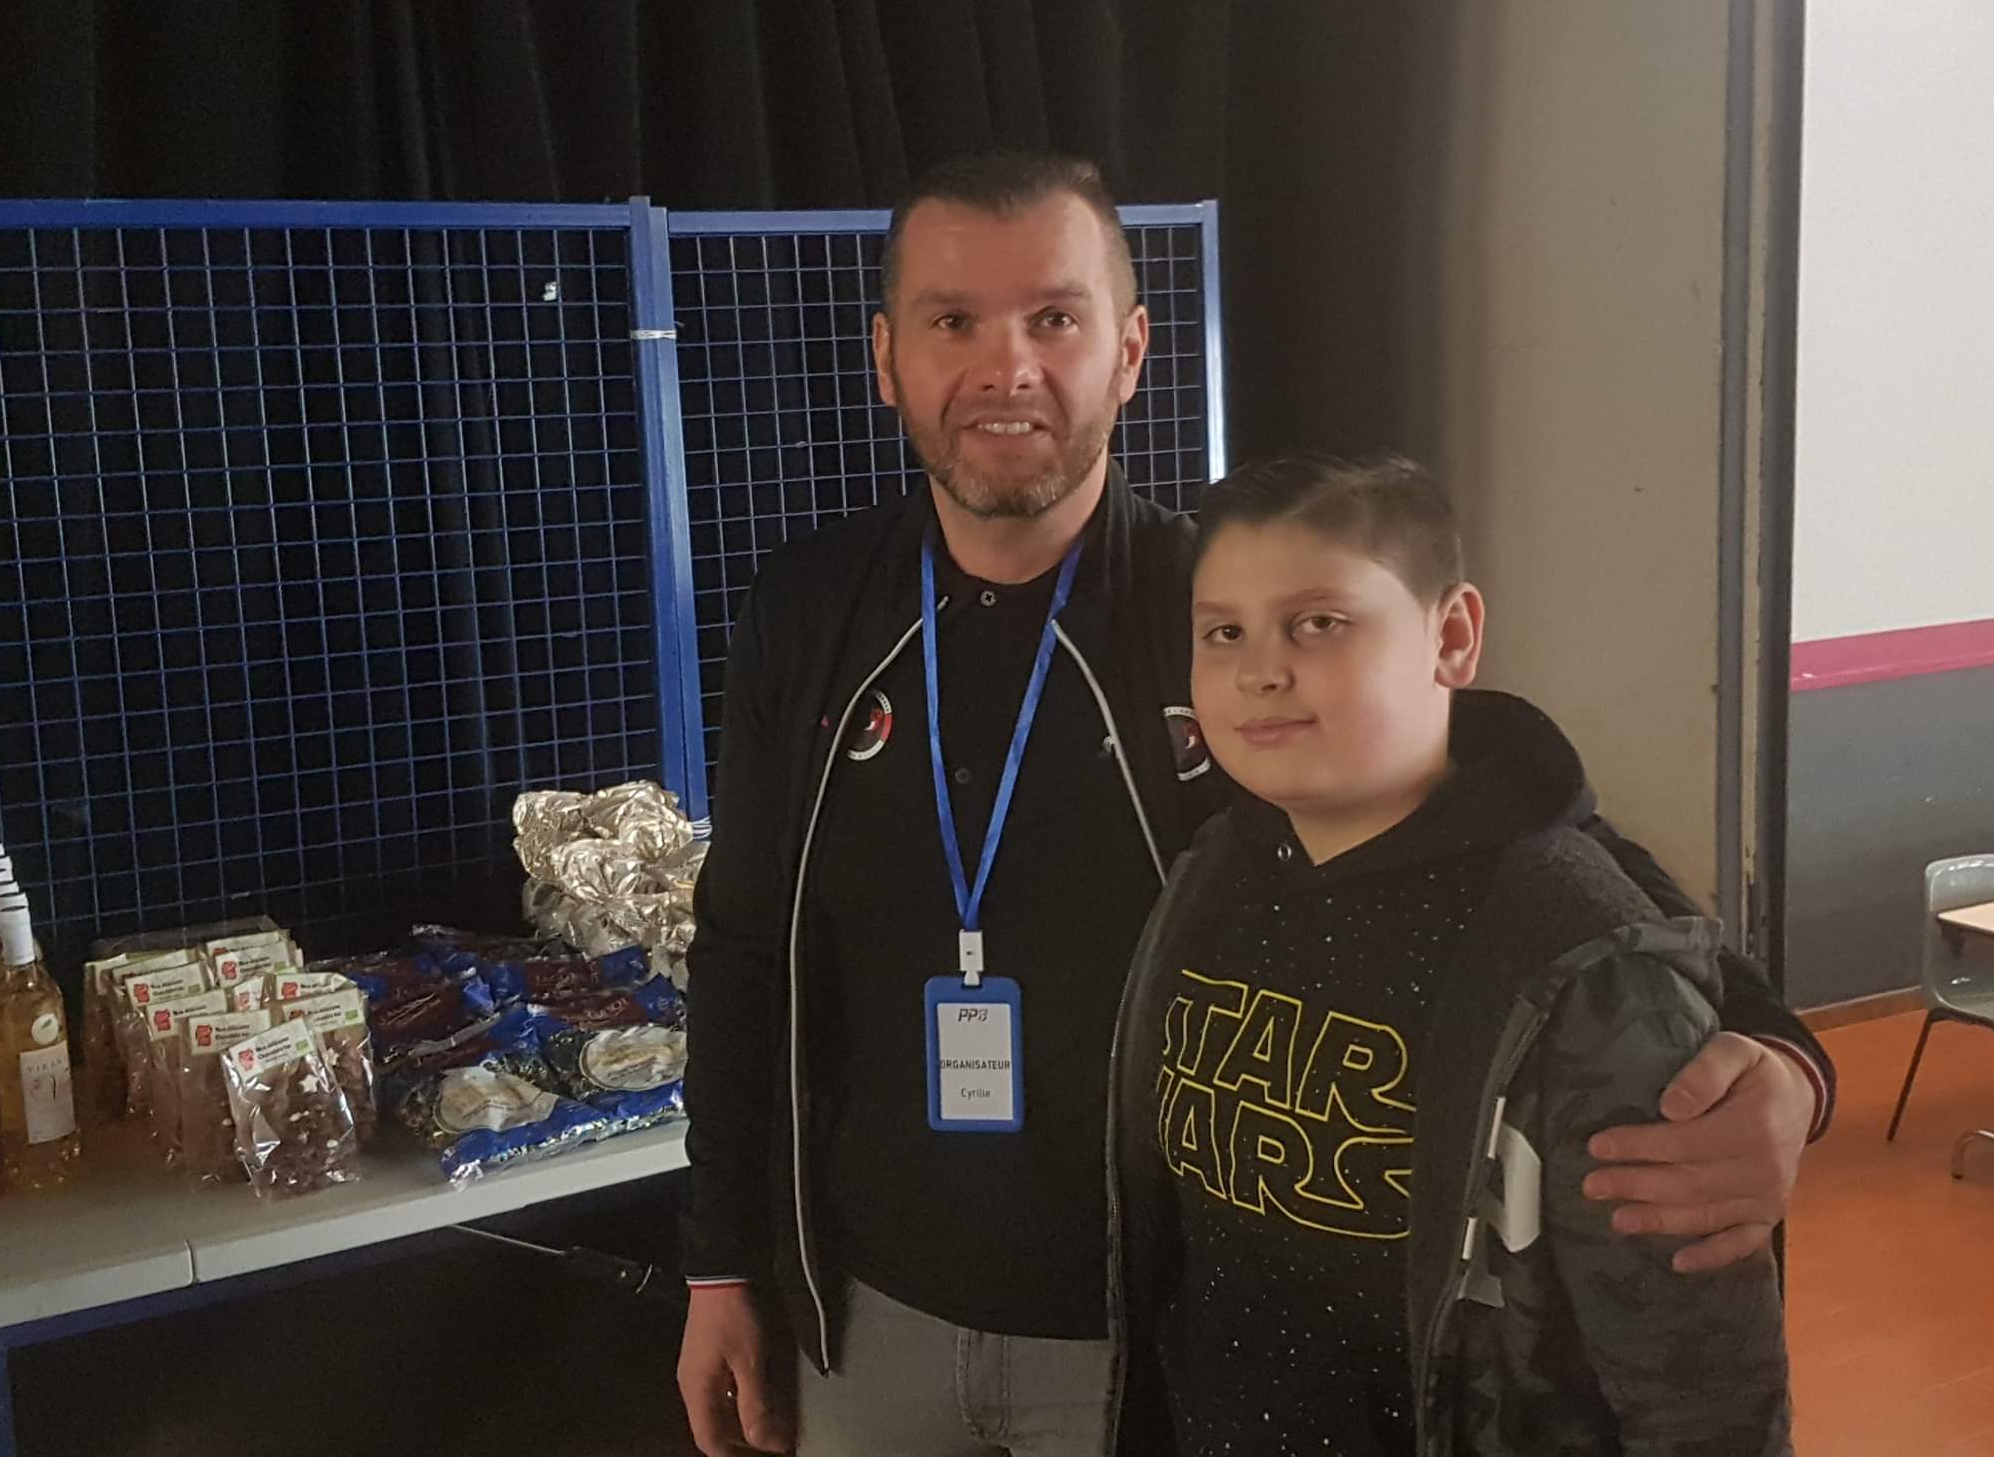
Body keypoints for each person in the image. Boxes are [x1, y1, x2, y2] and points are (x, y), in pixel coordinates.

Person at [676, 152, 1827, 1457]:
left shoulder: (1224, 608)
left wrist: (1777, 1052)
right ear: (887, 357)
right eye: (954, 321)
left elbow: (1517, 814)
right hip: (863, 1318)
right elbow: (744, 940)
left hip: (1140, 1339)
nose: (1007, 368)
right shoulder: (811, 609)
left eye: (1054, 318)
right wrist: (722, 1263)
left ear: (1129, 350)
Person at [1107, 453, 1791, 1454]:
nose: (1261, 670)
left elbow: (1697, 1389)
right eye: (1224, 633)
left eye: (1318, 623)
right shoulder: (1212, 873)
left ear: (1453, 636)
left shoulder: (1583, 963)